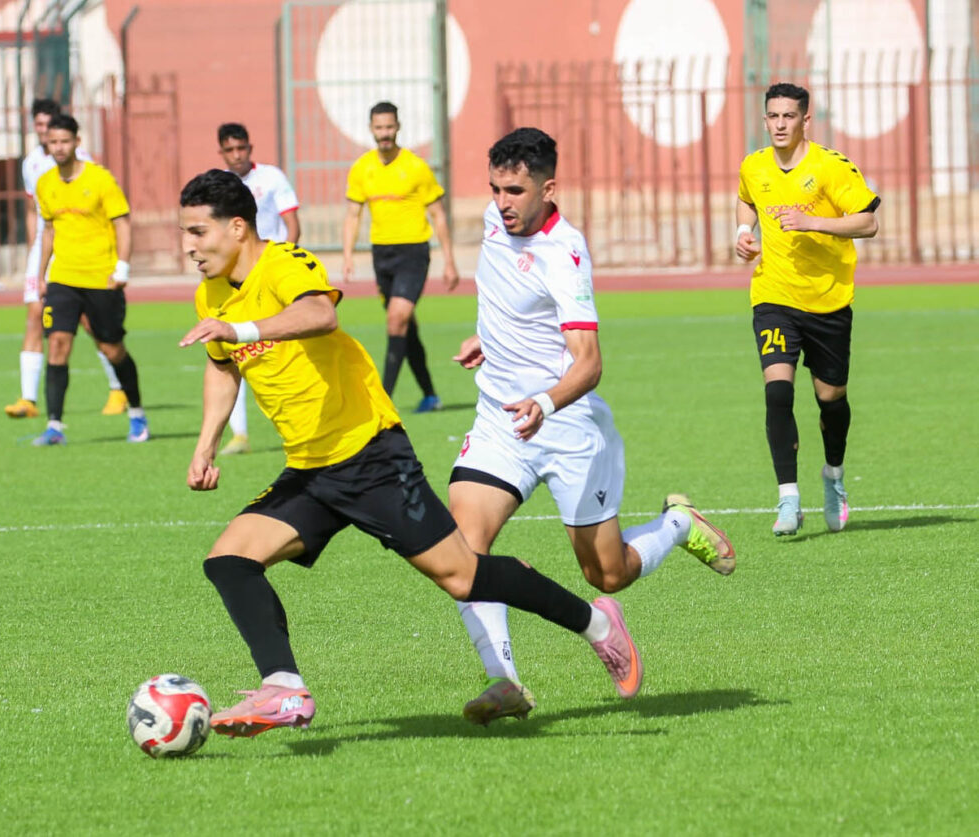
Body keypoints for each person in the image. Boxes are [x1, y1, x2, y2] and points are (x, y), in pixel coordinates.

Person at [178, 169, 641, 738]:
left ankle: (596, 624)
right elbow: (223, 368)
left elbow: (321, 314)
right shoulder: (212, 294)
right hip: (310, 470)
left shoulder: (284, 264)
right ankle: (285, 689)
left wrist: (240, 323)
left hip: (371, 457)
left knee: (463, 577)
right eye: (186, 233)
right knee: (229, 560)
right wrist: (206, 446)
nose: (189, 246)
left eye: (198, 232)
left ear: (238, 226)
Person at [448, 128, 736, 725]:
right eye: (496, 187)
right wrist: (494, 341)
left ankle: (678, 524)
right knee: (461, 552)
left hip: (567, 424)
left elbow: (589, 363)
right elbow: (508, 296)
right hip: (501, 421)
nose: (502, 201)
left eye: (516, 190)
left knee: (607, 572)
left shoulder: (566, 253)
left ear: (549, 189)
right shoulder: (493, 220)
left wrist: (544, 403)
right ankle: (503, 680)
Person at [736, 83, 880, 535]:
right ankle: (788, 499)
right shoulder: (754, 166)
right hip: (774, 297)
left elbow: (869, 221)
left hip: (829, 301)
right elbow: (746, 200)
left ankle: (834, 477)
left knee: (830, 398)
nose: (780, 124)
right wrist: (742, 232)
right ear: (765, 120)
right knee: (778, 392)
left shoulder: (830, 167)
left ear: (805, 121)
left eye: (788, 117)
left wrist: (813, 221)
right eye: (773, 116)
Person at [4, 98, 127, 419]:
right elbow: (34, 211)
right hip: (47, 250)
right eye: (40, 126)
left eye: (50, 126)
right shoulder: (31, 162)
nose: (45, 133)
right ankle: (29, 399)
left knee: (91, 325)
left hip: (80, 252)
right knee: (35, 315)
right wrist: (35, 254)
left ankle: (119, 389)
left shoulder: (81, 162)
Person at [31, 113, 148, 446]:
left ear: (77, 142)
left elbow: (123, 223)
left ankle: (137, 414)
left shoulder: (100, 180)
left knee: (111, 348)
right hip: (63, 277)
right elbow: (49, 231)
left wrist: (122, 267)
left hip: (101, 278)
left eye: (65, 141)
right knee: (57, 345)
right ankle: (54, 426)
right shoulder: (46, 183)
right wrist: (40, 276)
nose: (59, 147)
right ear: (46, 143)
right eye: (53, 142)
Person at [342, 101, 459, 412]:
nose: (385, 134)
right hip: (382, 255)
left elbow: (439, 214)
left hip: (413, 252)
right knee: (405, 326)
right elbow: (353, 214)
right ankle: (430, 395)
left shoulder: (416, 167)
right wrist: (348, 255)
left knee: (396, 319)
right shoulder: (362, 168)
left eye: (389, 127)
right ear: (371, 129)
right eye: (379, 128)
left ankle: (382, 400)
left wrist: (449, 260)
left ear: (398, 127)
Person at [215, 122, 301, 456]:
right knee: (233, 355)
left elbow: (292, 224)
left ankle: (297, 426)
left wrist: (283, 266)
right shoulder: (219, 185)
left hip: (272, 276)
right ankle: (240, 434)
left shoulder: (272, 178)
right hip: (236, 281)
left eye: (242, 149)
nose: (237, 155)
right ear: (222, 152)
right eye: (230, 150)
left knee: (284, 353)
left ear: (251, 148)